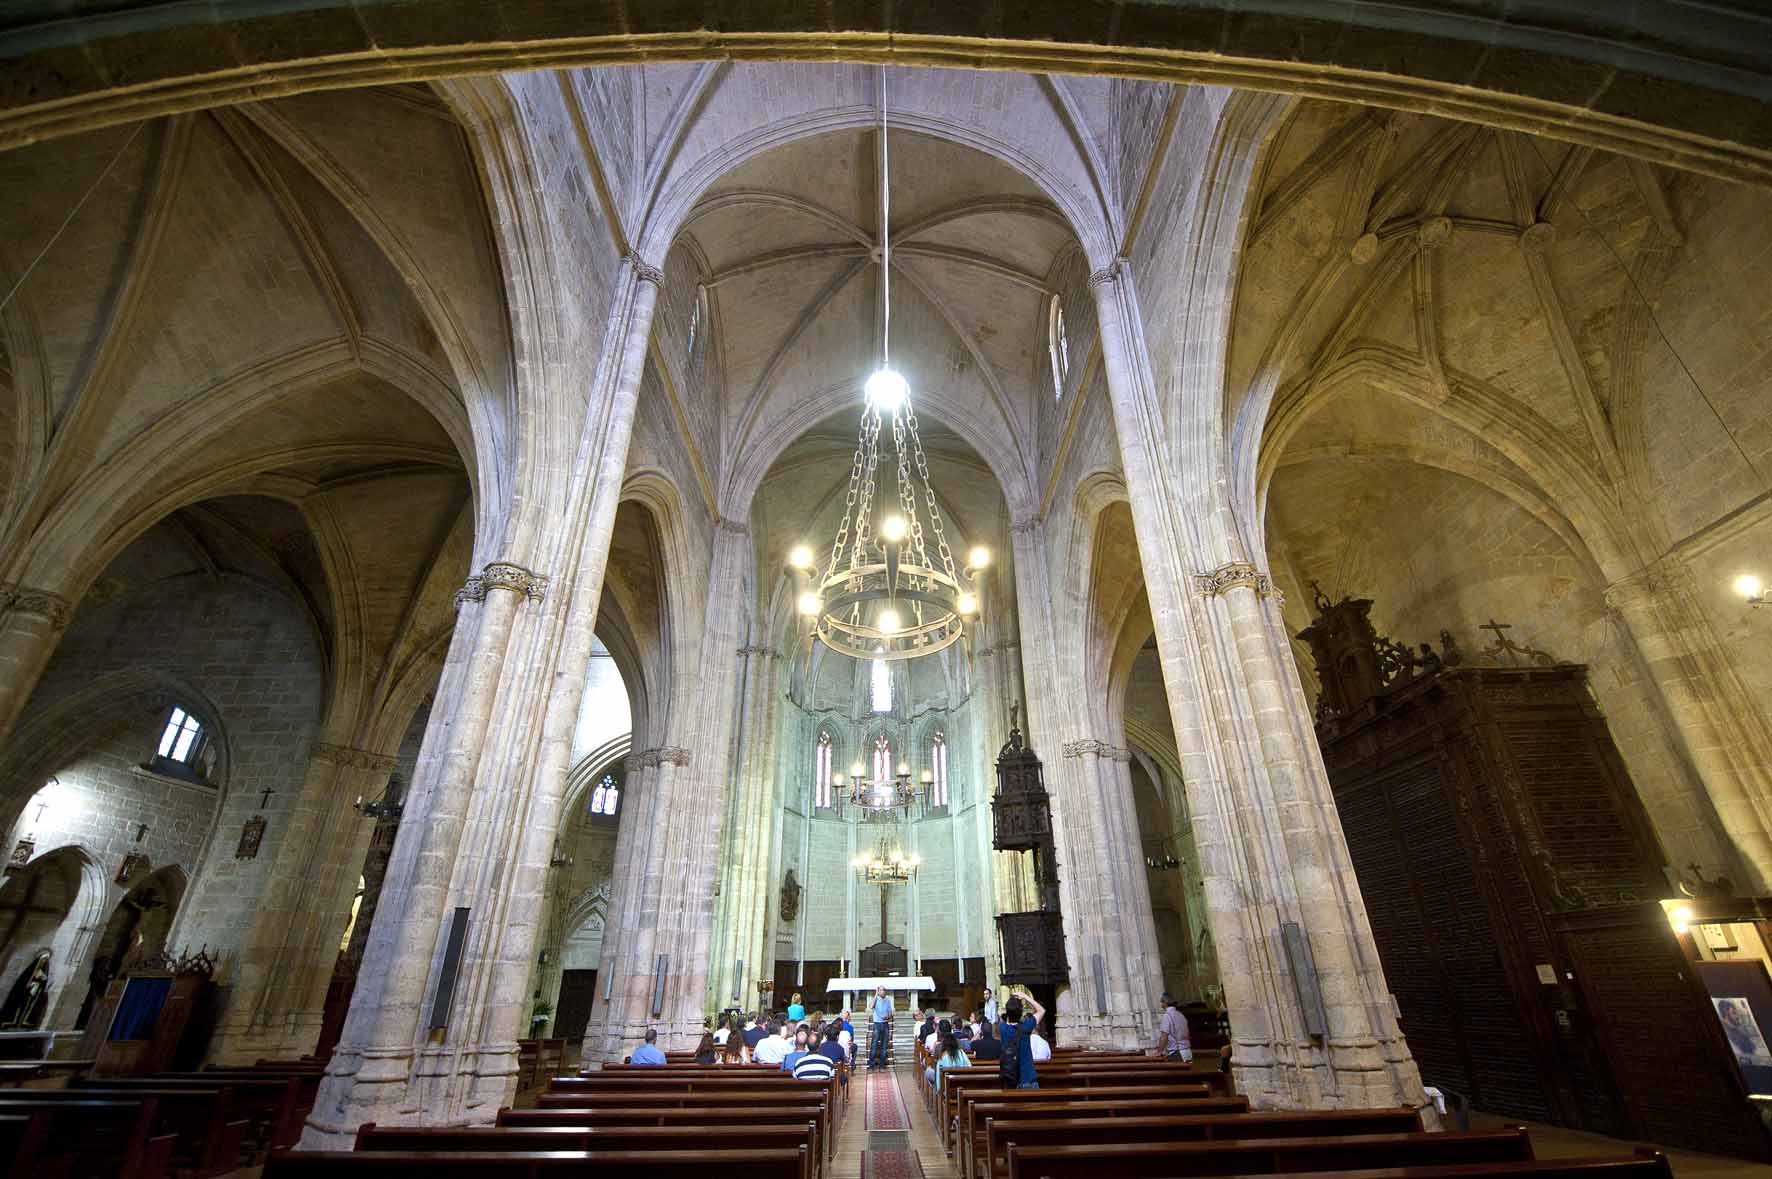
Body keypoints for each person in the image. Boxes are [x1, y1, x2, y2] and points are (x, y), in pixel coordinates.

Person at [998, 990, 1045, 1089]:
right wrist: (1025, 996)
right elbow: (1041, 1010)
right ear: (1021, 1012)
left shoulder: (1002, 1028)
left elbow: (1003, 1018)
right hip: (1027, 1078)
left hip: (1010, 1078)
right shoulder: (1026, 1026)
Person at [1157, 992, 1193, 1063]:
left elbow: (1164, 1036)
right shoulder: (1180, 1014)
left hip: (1177, 1052)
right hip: (1188, 1051)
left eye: (1161, 1002)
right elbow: (1188, 1034)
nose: (1161, 1004)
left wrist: (1159, 1051)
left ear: (1164, 1003)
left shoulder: (1167, 1016)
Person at [868, 985, 894, 1069]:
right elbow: (871, 1006)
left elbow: (890, 1012)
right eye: (881, 990)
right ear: (878, 991)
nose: (883, 992)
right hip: (877, 1024)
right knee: (874, 1044)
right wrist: (875, 994)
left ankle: (882, 1065)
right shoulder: (875, 999)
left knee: (884, 1045)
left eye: (884, 990)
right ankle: (871, 1065)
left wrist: (888, 1016)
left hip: (885, 1024)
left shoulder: (887, 1000)